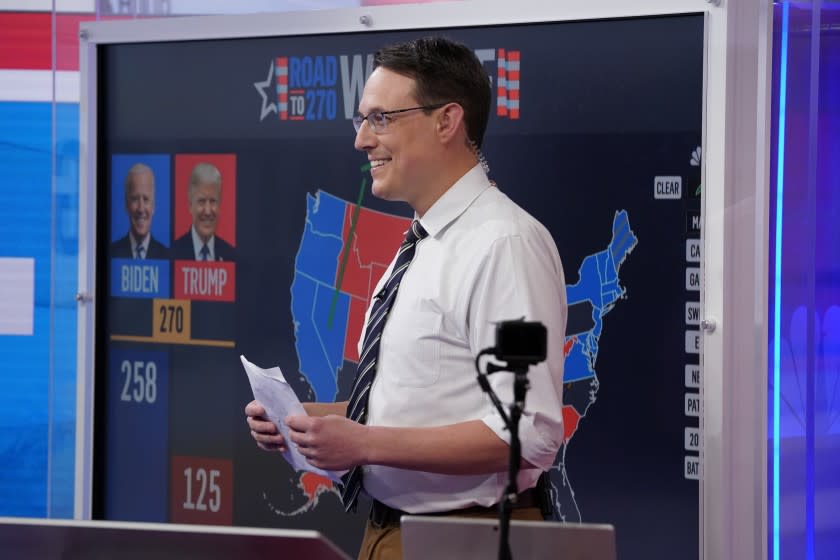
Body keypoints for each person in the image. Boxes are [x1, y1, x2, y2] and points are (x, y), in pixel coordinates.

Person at [246, 36, 567, 560]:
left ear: (447, 122)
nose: (361, 142)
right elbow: (424, 401)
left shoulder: (505, 245)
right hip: (395, 533)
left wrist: (364, 443)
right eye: (362, 121)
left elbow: (528, 432)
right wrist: (310, 423)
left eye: (381, 119)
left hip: (469, 539)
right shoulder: (422, 242)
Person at [171, 162, 236, 261]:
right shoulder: (173, 254)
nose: (208, 211)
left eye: (213, 201)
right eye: (201, 201)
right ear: (190, 205)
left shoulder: (231, 256)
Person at [111, 163, 168, 259]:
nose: (141, 209)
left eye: (146, 199)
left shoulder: (166, 255)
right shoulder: (112, 253)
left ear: (153, 205)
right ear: (126, 204)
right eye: (135, 199)